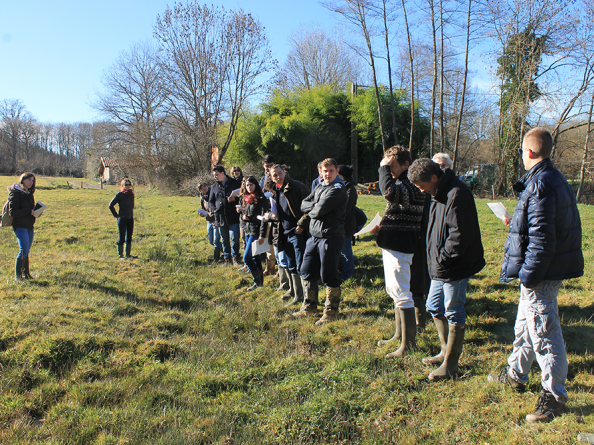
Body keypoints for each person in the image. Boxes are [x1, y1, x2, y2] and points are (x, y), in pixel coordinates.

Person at [488, 127, 583, 423]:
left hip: (541, 271)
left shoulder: (542, 183)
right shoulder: (552, 178)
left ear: (528, 152)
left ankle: (554, 396)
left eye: (521, 151)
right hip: (543, 268)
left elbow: (543, 238)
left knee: (544, 331)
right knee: (525, 326)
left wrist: (529, 275)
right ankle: (516, 374)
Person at [408, 158, 485, 381]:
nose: (421, 190)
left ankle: (451, 365)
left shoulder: (457, 194)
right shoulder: (437, 194)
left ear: (434, 177)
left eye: (422, 185)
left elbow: (460, 235)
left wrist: (442, 259)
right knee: (434, 306)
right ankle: (444, 351)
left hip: (455, 266)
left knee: (454, 311)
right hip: (440, 265)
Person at [370, 147, 426, 358]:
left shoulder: (410, 183)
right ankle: (398, 334)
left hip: (402, 245)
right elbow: (395, 204)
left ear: (405, 165)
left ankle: (408, 345)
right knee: (395, 291)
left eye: (392, 165)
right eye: (388, 166)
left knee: (402, 293)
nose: (389, 170)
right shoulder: (404, 182)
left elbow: (388, 193)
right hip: (394, 242)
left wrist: (382, 168)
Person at [295, 158, 347, 325]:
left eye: (331, 170)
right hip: (314, 236)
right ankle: (309, 307)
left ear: (337, 171)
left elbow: (320, 210)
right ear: (321, 172)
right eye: (325, 171)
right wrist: (315, 206)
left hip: (331, 236)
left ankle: (331, 312)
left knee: (329, 274)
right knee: (307, 270)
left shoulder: (338, 188)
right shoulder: (319, 186)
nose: (327, 174)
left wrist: (315, 206)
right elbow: (303, 205)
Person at [269, 164, 311, 306]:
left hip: (297, 231)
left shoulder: (297, 186)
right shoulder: (275, 190)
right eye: (275, 175)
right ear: (271, 178)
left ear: (284, 172)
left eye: (280, 173)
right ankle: (296, 294)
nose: (278, 176)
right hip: (284, 233)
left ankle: (307, 298)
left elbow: (312, 206)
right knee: (291, 264)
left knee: (301, 265)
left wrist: (302, 224)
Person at [238, 176, 270, 291]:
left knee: (247, 258)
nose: (249, 187)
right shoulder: (246, 198)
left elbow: (263, 218)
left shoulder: (261, 198)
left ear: (256, 185)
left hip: (255, 232)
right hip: (248, 230)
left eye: (251, 184)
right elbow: (245, 217)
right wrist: (243, 216)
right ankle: (259, 283)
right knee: (255, 257)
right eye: (247, 185)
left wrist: (262, 234)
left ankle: (257, 282)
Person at [8, 172, 38, 280]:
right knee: (23, 250)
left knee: (26, 250)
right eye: (29, 180)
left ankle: (26, 274)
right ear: (22, 180)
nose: (31, 182)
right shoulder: (15, 194)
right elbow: (13, 212)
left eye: (32, 180)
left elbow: (31, 209)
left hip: (30, 225)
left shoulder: (29, 194)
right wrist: (29, 211)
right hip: (20, 226)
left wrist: (36, 212)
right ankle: (18, 276)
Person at [209, 165, 242, 265]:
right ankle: (227, 259)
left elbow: (242, 196)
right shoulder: (214, 187)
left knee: (235, 237)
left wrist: (235, 199)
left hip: (233, 216)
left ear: (222, 173)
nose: (215, 177)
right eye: (214, 175)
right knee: (224, 239)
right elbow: (211, 201)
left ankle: (236, 257)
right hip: (220, 217)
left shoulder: (235, 183)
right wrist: (213, 209)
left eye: (216, 175)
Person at [337, 165, 358, 282]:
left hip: (346, 225)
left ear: (342, 175)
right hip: (340, 225)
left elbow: (346, 208)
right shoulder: (342, 186)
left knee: (346, 252)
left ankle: (347, 275)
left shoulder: (350, 189)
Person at [109, 178, 137, 260]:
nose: (128, 186)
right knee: (122, 237)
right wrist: (116, 215)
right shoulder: (119, 195)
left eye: (129, 184)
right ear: (123, 186)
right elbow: (111, 205)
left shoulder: (131, 195)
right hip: (122, 219)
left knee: (129, 237)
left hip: (130, 218)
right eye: (126, 185)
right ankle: (120, 255)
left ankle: (128, 254)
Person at [198, 182, 221, 261]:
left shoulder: (213, 194)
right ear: (200, 190)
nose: (204, 188)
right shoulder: (202, 198)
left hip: (216, 220)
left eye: (205, 186)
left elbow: (217, 208)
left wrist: (216, 220)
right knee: (211, 241)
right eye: (202, 188)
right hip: (209, 220)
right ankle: (226, 251)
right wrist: (202, 213)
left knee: (216, 240)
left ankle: (216, 259)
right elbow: (204, 209)